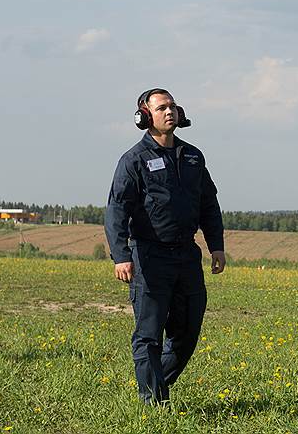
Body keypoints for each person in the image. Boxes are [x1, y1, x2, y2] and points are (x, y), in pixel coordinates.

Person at [104, 88, 226, 405]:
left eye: (172, 106)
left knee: (187, 332)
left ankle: (157, 387)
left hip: (186, 255)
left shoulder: (193, 157)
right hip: (149, 256)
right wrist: (121, 256)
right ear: (145, 116)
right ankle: (154, 402)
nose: (169, 112)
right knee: (149, 335)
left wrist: (217, 246)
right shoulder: (133, 161)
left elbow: (209, 204)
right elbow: (117, 210)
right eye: (161, 108)